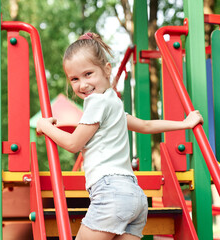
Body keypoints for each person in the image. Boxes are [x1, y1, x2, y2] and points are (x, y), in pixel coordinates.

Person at [36, 32, 204, 240]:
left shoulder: (96, 102)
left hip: (111, 192)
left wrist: (45, 126)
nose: (82, 84)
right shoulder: (113, 103)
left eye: (88, 74)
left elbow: (73, 143)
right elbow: (145, 124)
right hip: (135, 197)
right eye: (74, 79)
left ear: (107, 70)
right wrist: (184, 123)